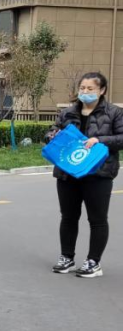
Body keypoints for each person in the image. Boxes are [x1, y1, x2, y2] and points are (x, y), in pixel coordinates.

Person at [47, 72, 123, 278]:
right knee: (68, 217)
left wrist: (100, 140)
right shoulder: (68, 112)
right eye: (82, 88)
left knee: (97, 219)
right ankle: (67, 257)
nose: (85, 92)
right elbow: (53, 130)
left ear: (102, 90)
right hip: (67, 172)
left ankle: (93, 262)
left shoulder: (114, 113)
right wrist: (51, 135)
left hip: (99, 173)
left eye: (90, 88)